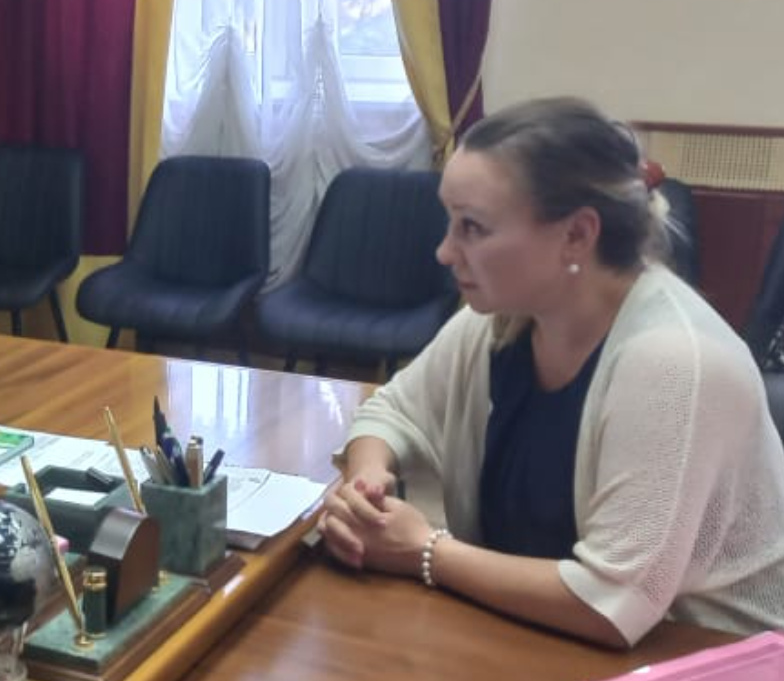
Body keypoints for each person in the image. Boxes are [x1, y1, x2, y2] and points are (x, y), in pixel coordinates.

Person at [318, 97, 784, 648]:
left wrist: (424, 550)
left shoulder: (677, 362)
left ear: (577, 236)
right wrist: (367, 489)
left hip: (706, 661)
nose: (445, 251)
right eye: (450, 222)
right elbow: (393, 410)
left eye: (472, 227)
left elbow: (612, 604)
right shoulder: (500, 319)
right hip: (539, 637)